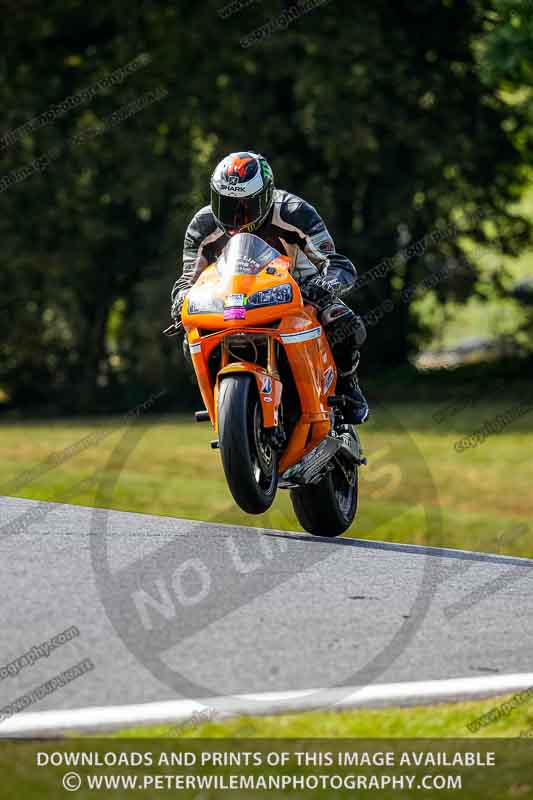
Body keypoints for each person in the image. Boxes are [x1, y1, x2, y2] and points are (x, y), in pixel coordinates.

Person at [171, 151, 368, 424]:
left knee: (343, 322)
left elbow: (335, 263)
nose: (235, 217)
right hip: (232, 298)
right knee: (191, 334)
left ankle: (348, 385)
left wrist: (324, 286)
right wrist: (180, 298)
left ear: (265, 196)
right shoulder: (202, 224)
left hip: (300, 289)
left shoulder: (294, 211)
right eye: (225, 204)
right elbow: (187, 280)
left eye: (244, 207)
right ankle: (225, 402)